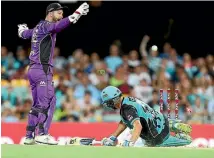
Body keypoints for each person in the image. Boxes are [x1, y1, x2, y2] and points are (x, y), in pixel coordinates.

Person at [17, 2, 89, 145]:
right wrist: (76, 14)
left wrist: (21, 30)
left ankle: (29, 136)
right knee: (49, 101)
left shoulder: (38, 28)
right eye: (59, 13)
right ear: (50, 13)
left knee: (37, 104)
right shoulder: (46, 26)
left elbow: (25, 34)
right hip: (43, 70)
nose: (61, 15)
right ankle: (42, 134)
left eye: (62, 14)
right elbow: (57, 26)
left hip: (32, 70)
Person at [100, 86, 192, 147]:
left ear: (115, 99)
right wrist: (112, 137)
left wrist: (130, 142)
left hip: (157, 136)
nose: (108, 105)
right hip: (162, 120)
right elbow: (124, 121)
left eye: (108, 102)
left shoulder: (126, 109)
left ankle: (184, 139)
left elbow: (138, 126)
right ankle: (174, 125)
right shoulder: (128, 100)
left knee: (151, 145)